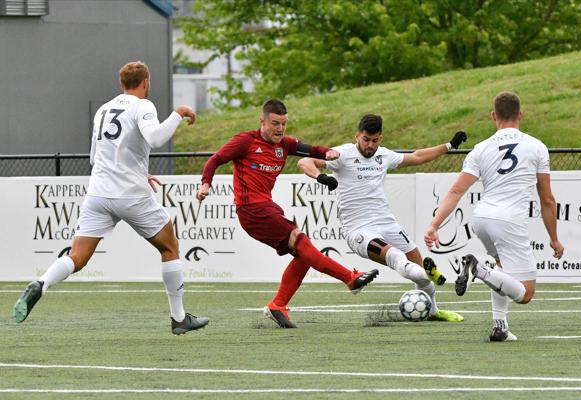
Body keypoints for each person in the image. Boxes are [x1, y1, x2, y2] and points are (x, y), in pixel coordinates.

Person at [14, 61, 209, 335]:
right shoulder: (144, 105)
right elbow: (154, 138)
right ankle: (179, 318)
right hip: (130, 195)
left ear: (122, 84)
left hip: (98, 193)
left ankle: (41, 283)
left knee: (77, 257)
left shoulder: (103, 110)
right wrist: (176, 114)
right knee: (170, 247)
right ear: (146, 82)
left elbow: (97, 157)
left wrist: (140, 172)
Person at [196, 99, 379, 328]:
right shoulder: (245, 141)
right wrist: (205, 184)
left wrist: (328, 153)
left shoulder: (286, 144)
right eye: (275, 123)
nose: (280, 129)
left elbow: (312, 150)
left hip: (265, 208)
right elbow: (215, 160)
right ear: (262, 121)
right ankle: (350, 278)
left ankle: (278, 305)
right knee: (302, 242)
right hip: (252, 209)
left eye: (284, 124)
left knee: (304, 254)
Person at [298, 114, 466, 322]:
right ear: (357, 136)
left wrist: (449, 146)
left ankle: (432, 310)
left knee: (417, 263)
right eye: (366, 140)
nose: (370, 145)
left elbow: (418, 157)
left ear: (381, 138)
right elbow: (305, 161)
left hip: (386, 223)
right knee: (396, 257)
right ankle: (430, 274)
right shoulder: (341, 154)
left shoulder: (384, 156)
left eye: (375, 140)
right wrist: (321, 177)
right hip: (359, 230)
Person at [424, 91, 564, 341]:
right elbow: (547, 199)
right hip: (508, 221)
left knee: (503, 267)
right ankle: (478, 270)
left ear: (493, 116)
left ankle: (500, 325)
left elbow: (456, 191)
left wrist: (434, 225)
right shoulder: (537, 147)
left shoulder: (480, 148)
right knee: (526, 293)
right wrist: (554, 238)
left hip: (481, 219)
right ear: (520, 114)